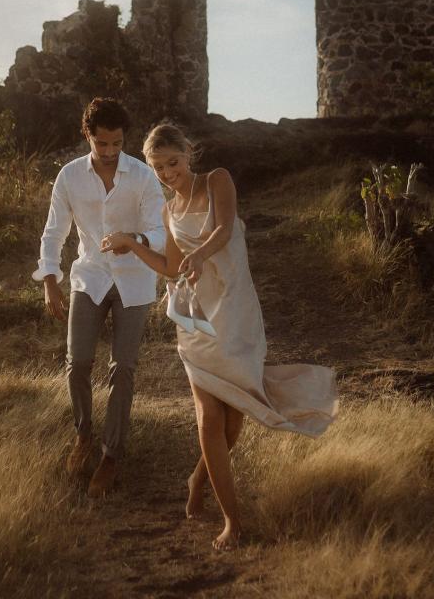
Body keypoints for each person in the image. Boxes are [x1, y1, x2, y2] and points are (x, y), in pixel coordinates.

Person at [101, 123, 338, 550]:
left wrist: (199, 253)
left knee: (231, 427)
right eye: (158, 168)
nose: (168, 173)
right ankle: (233, 521)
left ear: (188, 154)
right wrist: (131, 245)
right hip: (195, 321)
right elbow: (172, 269)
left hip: (234, 314)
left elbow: (225, 229)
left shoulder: (217, 181)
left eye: (173, 162)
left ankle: (197, 477)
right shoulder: (167, 211)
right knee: (209, 418)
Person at [32, 98, 166, 498]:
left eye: (117, 144)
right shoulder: (69, 176)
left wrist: (135, 240)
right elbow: (54, 231)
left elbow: (160, 231)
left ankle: (111, 455)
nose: (109, 153)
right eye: (101, 144)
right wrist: (49, 279)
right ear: (87, 135)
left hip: (135, 281)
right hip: (89, 277)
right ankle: (83, 435)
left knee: (123, 368)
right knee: (78, 364)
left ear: (125, 139)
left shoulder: (143, 176)